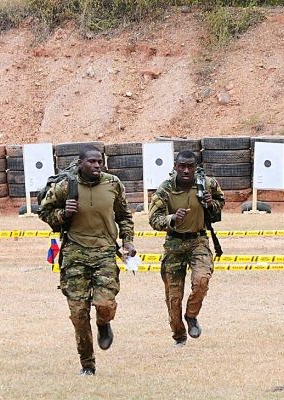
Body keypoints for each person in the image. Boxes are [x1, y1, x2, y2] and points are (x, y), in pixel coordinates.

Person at [38, 146, 135, 375]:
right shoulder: (66, 186)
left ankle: (104, 324)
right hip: (75, 254)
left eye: (99, 162)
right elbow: (44, 212)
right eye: (91, 162)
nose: (96, 166)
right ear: (80, 163)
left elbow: (124, 216)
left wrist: (128, 241)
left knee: (104, 304)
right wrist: (64, 214)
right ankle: (87, 365)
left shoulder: (113, 184)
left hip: (104, 253)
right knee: (78, 313)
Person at [147, 151, 225, 346]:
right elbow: (153, 219)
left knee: (202, 280)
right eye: (182, 166)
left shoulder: (206, 183)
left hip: (198, 240)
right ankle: (179, 334)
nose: (186, 170)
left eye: (190, 166)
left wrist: (211, 203)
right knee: (174, 296)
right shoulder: (165, 189)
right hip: (174, 244)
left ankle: (191, 315)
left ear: (195, 166)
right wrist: (172, 218)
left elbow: (220, 202)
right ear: (175, 167)